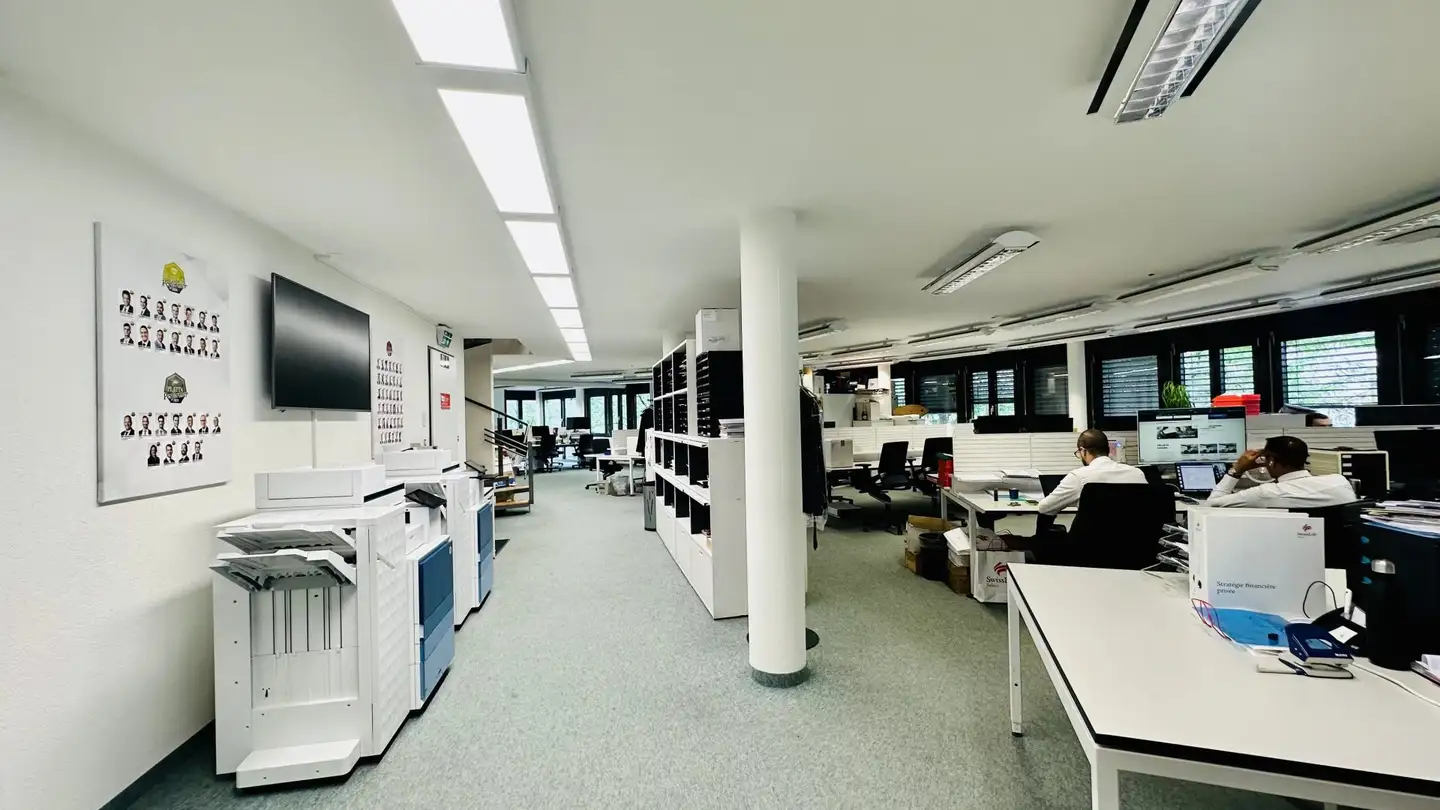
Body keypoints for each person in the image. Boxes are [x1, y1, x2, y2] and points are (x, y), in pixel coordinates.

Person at [1207, 436, 1357, 508]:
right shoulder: (1340, 481)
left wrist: (1237, 470)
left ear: (1270, 460)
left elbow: (1211, 506)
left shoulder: (1264, 493)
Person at [1035, 429, 1148, 517]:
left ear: (1083, 451)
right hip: (1135, 543)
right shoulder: (1137, 473)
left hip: (1090, 544)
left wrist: (1076, 501)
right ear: (1107, 449)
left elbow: (1044, 508)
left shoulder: (1078, 477)